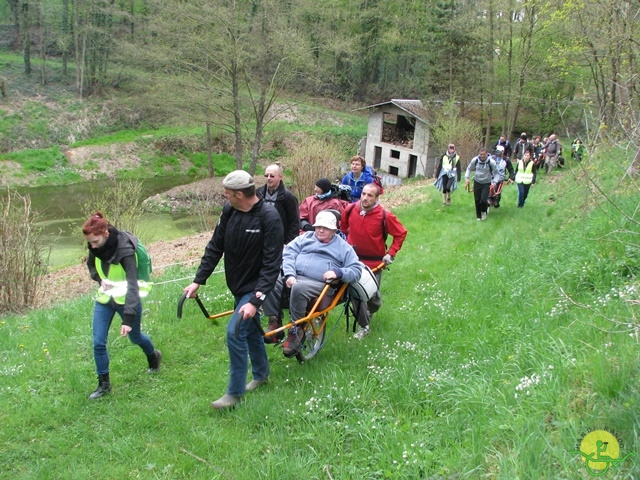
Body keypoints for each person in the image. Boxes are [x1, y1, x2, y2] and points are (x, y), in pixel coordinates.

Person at [184, 170, 283, 410]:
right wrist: (199, 280)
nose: (224, 196)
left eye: (226, 193)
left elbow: (272, 265)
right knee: (249, 332)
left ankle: (235, 393)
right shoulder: (230, 211)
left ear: (239, 194)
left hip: (255, 287)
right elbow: (215, 247)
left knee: (235, 332)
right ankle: (261, 374)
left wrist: (255, 301)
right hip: (236, 285)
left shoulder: (269, 218)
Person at [82, 212, 161, 400]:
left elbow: (133, 287)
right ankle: (104, 385)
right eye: (90, 243)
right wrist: (100, 280)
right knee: (98, 342)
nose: (92, 246)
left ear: (105, 234)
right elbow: (91, 266)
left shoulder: (125, 251)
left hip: (127, 301)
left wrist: (127, 319)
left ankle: (153, 356)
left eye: (95, 242)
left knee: (135, 338)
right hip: (105, 300)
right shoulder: (95, 248)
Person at [262, 210, 362, 356]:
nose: (320, 230)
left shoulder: (343, 247)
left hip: (318, 284)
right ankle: (274, 321)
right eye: (318, 226)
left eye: (325, 227)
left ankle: (297, 329)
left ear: (334, 230)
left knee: (299, 287)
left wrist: (338, 273)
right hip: (294, 276)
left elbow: (356, 270)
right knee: (267, 280)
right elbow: (288, 252)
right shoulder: (305, 237)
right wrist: (289, 274)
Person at [341, 184, 407, 339]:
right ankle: (364, 326)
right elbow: (343, 227)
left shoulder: (385, 215)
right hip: (353, 261)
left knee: (373, 299)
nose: (365, 198)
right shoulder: (350, 209)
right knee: (357, 294)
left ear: (377, 198)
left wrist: (391, 253)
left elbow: (401, 233)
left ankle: (371, 310)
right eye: (363, 194)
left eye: (370, 195)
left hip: (374, 264)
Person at [256, 164, 299, 244]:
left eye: (272, 176)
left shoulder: (288, 197)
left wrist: (289, 244)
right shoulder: (258, 193)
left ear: (280, 177)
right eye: (266, 175)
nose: (268, 178)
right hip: (259, 238)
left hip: (279, 240)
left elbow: (294, 223)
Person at [465, 148, 500, 221]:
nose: (482, 156)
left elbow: (497, 173)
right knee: (477, 200)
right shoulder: (475, 160)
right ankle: (478, 216)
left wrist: (494, 182)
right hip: (477, 181)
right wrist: (467, 178)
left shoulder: (491, 162)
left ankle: (483, 212)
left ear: (487, 154)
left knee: (483, 200)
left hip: (486, 183)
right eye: (481, 154)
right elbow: (469, 168)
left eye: (484, 154)